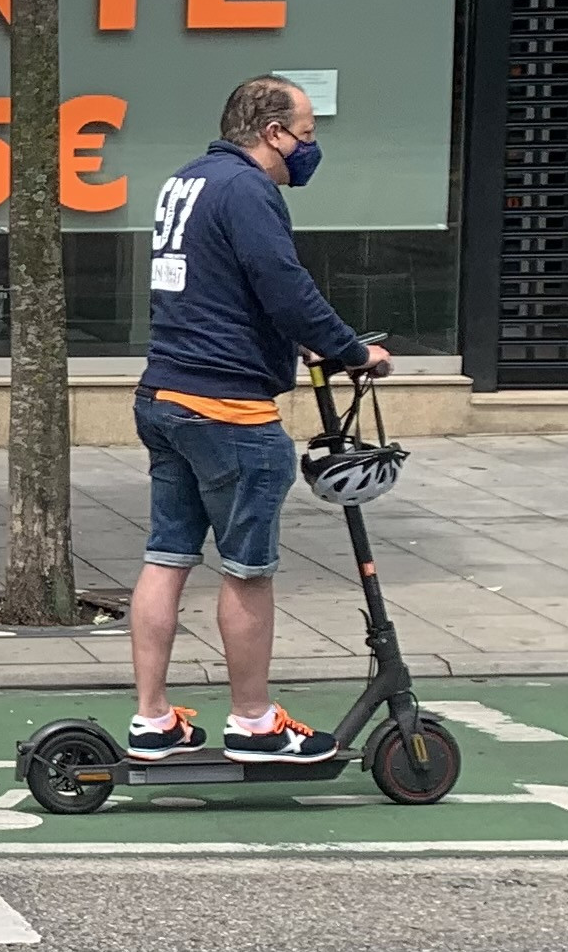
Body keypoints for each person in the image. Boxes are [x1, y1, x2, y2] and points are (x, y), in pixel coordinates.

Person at [127, 74, 392, 765]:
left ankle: (153, 719)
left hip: (166, 394)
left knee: (167, 556)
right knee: (247, 570)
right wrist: (349, 349)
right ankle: (254, 721)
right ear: (272, 132)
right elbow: (283, 282)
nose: (309, 148)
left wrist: (287, 340)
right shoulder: (249, 190)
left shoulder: (186, 182)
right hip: (229, 410)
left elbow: (218, 288)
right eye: (306, 135)